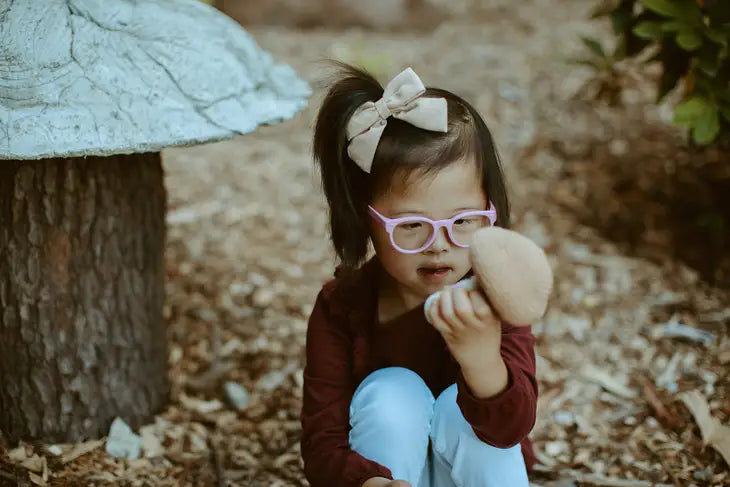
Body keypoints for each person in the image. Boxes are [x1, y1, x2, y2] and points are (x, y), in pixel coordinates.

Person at [300, 62, 537, 487]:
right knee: (392, 391)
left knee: (457, 407)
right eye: (411, 225)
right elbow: (322, 444)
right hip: (389, 473)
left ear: (491, 212)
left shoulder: (498, 294)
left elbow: (512, 431)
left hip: (475, 471)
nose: (439, 244)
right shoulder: (343, 308)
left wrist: (483, 360)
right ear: (365, 220)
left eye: (464, 221)